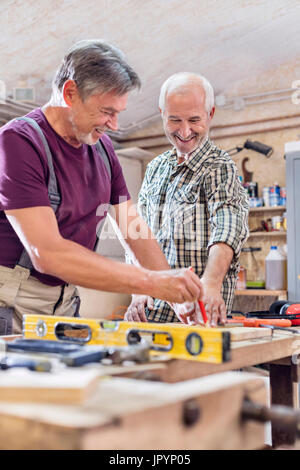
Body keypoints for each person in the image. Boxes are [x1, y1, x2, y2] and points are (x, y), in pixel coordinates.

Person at [0, 42, 203, 335]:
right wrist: (149, 282)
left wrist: (175, 293)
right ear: (70, 93)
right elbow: (47, 253)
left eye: (119, 112)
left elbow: (133, 228)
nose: (116, 125)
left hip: (66, 302)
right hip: (12, 300)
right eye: (107, 112)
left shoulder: (103, 151)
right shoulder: (19, 142)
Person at [125, 72, 249, 326]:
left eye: (194, 120)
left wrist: (211, 283)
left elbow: (228, 226)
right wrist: (137, 288)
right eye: (175, 120)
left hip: (200, 315)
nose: (184, 131)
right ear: (162, 113)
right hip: (153, 315)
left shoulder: (219, 166)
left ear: (210, 114)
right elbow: (138, 233)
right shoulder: (156, 167)